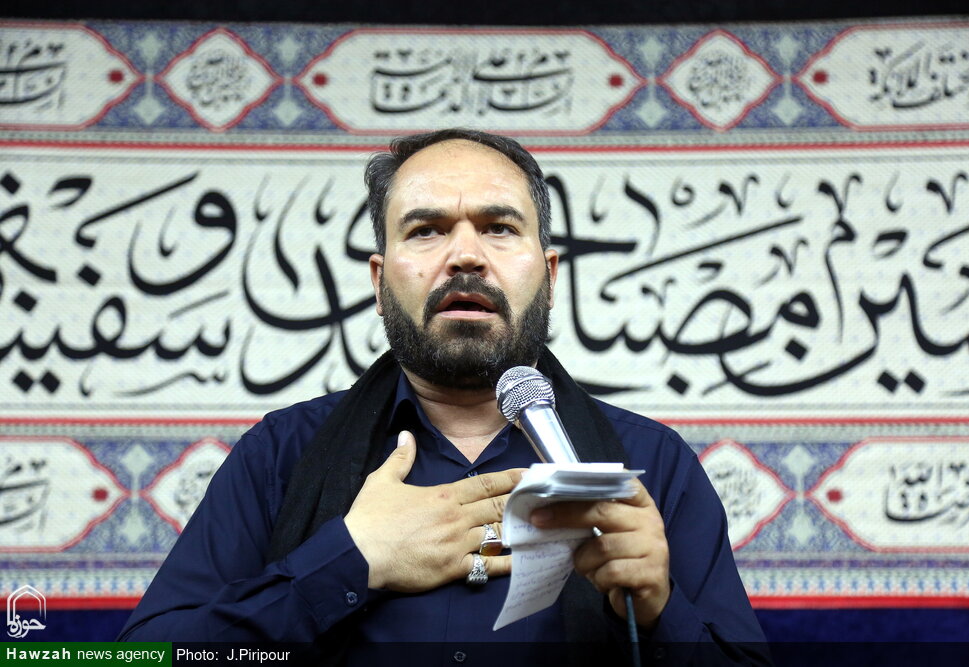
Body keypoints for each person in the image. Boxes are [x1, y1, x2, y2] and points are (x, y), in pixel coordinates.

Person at [119, 129, 769, 665]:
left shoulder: (651, 463)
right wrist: (350, 561)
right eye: (427, 230)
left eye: (499, 227)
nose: (465, 256)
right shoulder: (280, 455)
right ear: (379, 284)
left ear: (549, 277)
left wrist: (658, 609)